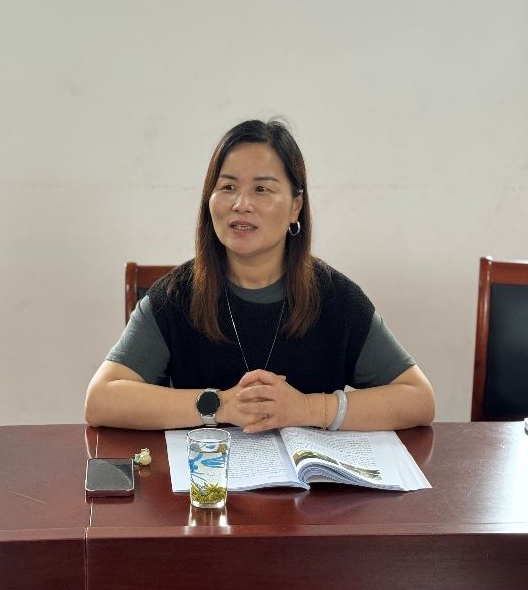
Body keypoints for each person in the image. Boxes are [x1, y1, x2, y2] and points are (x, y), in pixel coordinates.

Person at [85, 119, 434, 433]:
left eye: (261, 189)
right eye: (227, 187)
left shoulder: (336, 298)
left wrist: (308, 408)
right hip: (208, 481)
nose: (241, 204)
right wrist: (220, 404)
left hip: (310, 485)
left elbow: (418, 398)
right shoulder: (176, 296)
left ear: (296, 206)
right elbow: (101, 399)